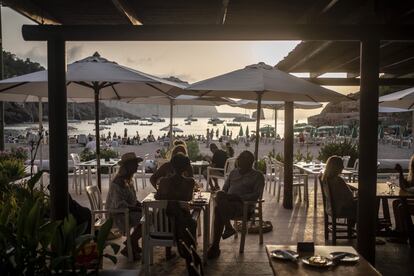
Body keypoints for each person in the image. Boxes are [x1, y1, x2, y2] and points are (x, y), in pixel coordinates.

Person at [207, 151, 264, 259]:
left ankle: (216, 246)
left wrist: (238, 197)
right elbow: (224, 189)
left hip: (243, 206)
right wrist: (227, 196)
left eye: (246, 160)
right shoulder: (234, 173)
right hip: (228, 203)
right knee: (219, 194)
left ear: (251, 162)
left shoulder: (257, 176)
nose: (241, 162)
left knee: (218, 210)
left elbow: (256, 195)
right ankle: (227, 229)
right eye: (241, 159)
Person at [106, 152, 143, 260]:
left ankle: (132, 243)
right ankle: (131, 243)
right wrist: (137, 208)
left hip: (125, 211)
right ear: (128, 166)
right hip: (118, 214)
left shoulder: (128, 180)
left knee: (147, 213)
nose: (137, 166)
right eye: (135, 164)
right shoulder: (118, 182)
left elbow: (132, 200)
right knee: (146, 218)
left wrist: (139, 204)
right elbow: (119, 204)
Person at [321, 156, 357, 222]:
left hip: (330, 208)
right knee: (365, 204)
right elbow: (350, 196)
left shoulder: (325, 179)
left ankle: (352, 229)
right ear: (336, 167)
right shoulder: (338, 180)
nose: (343, 167)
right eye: (341, 165)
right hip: (341, 209)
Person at [392, 156, 414, 241]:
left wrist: (401, 172)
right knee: (396, 203)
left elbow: (406, 189)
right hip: (411, 202)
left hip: (412, 203)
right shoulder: (412, 176)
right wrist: (400, 173)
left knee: (401, 206)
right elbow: (404, 186)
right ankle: (400, 229)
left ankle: (404, 234)